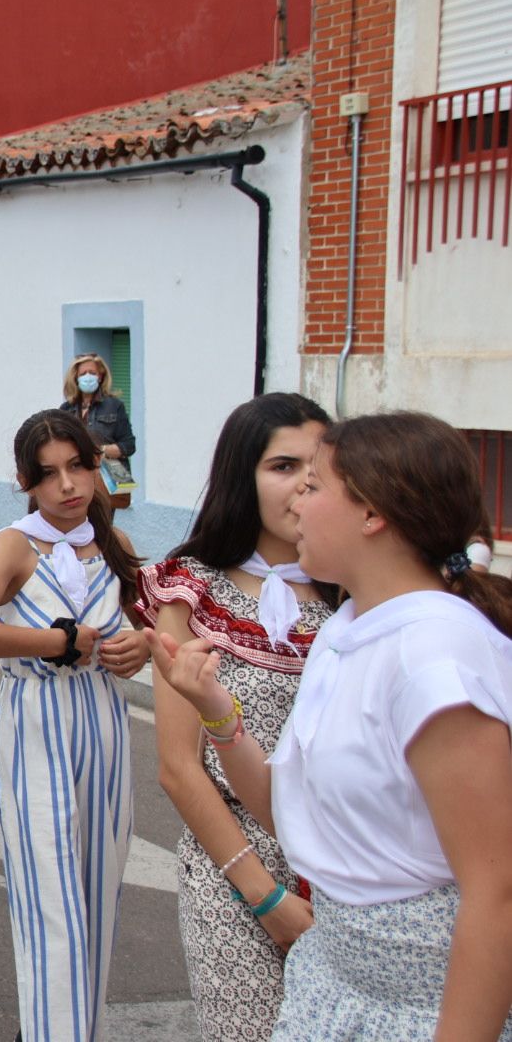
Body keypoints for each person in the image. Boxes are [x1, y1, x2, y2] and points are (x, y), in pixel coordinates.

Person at [154, 411, 512, 1042]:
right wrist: (215, 709)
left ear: (372, 514)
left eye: (314, 485)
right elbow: (285, 809)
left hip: (415, 1006)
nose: (298, 502)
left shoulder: (437, 657)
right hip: (332, 987)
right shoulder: (347, 632)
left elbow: (497, 892)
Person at [0, 409, 150, 1042]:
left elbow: (158, 627)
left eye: (79, 467)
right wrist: (52, 640)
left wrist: (140, 646)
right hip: (35, 722)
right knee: (49, 902)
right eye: (50, 474)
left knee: (98, 895)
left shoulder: (115, 543)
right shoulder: (13, 544)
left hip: (106, 724)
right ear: (27, 481)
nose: (68, 486)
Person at [136, 393, 333, 1041]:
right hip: (235, 868)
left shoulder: (351, 590)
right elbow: (178, 767)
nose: (304, 483)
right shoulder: (193, 589)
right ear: (241, 476)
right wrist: (267, 899)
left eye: (318, 467)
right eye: (282, 466)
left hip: (346, 866)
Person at [62, 352, 136, 496]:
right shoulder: (66, 409)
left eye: (92, 372)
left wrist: (99, 450)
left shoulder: (114, 406)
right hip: (75, 481)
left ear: (100, 376)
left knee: (101, 518)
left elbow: (129, 445)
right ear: (76, 377)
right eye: (83, 373)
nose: (88, 377)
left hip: (104, 482)